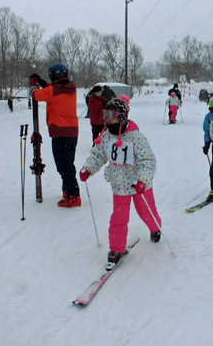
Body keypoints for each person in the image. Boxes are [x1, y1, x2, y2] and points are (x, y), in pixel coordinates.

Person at [79, 98, 162, 271]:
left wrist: (143, 180)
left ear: (122, 116)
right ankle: (116, 250)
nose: (107, 119)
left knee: (146, 211)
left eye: (112, 115)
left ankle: (155, 229)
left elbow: (148, 160)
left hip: (139, 185)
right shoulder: (106, 136)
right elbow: (98, 155)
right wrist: (88, 168)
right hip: (119, 185)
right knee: (118, 218)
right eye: (105, 114)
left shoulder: (136, 137)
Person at [30, 64, 81, 207]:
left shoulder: (53, 90)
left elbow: (37, 95)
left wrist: (33, 83)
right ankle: (69, 191)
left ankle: (73, 196)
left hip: (60, 133)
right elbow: (52, 91)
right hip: (72, 132)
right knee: (68, 164)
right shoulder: (70, 87)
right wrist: (43, 83)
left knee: (64, 167)